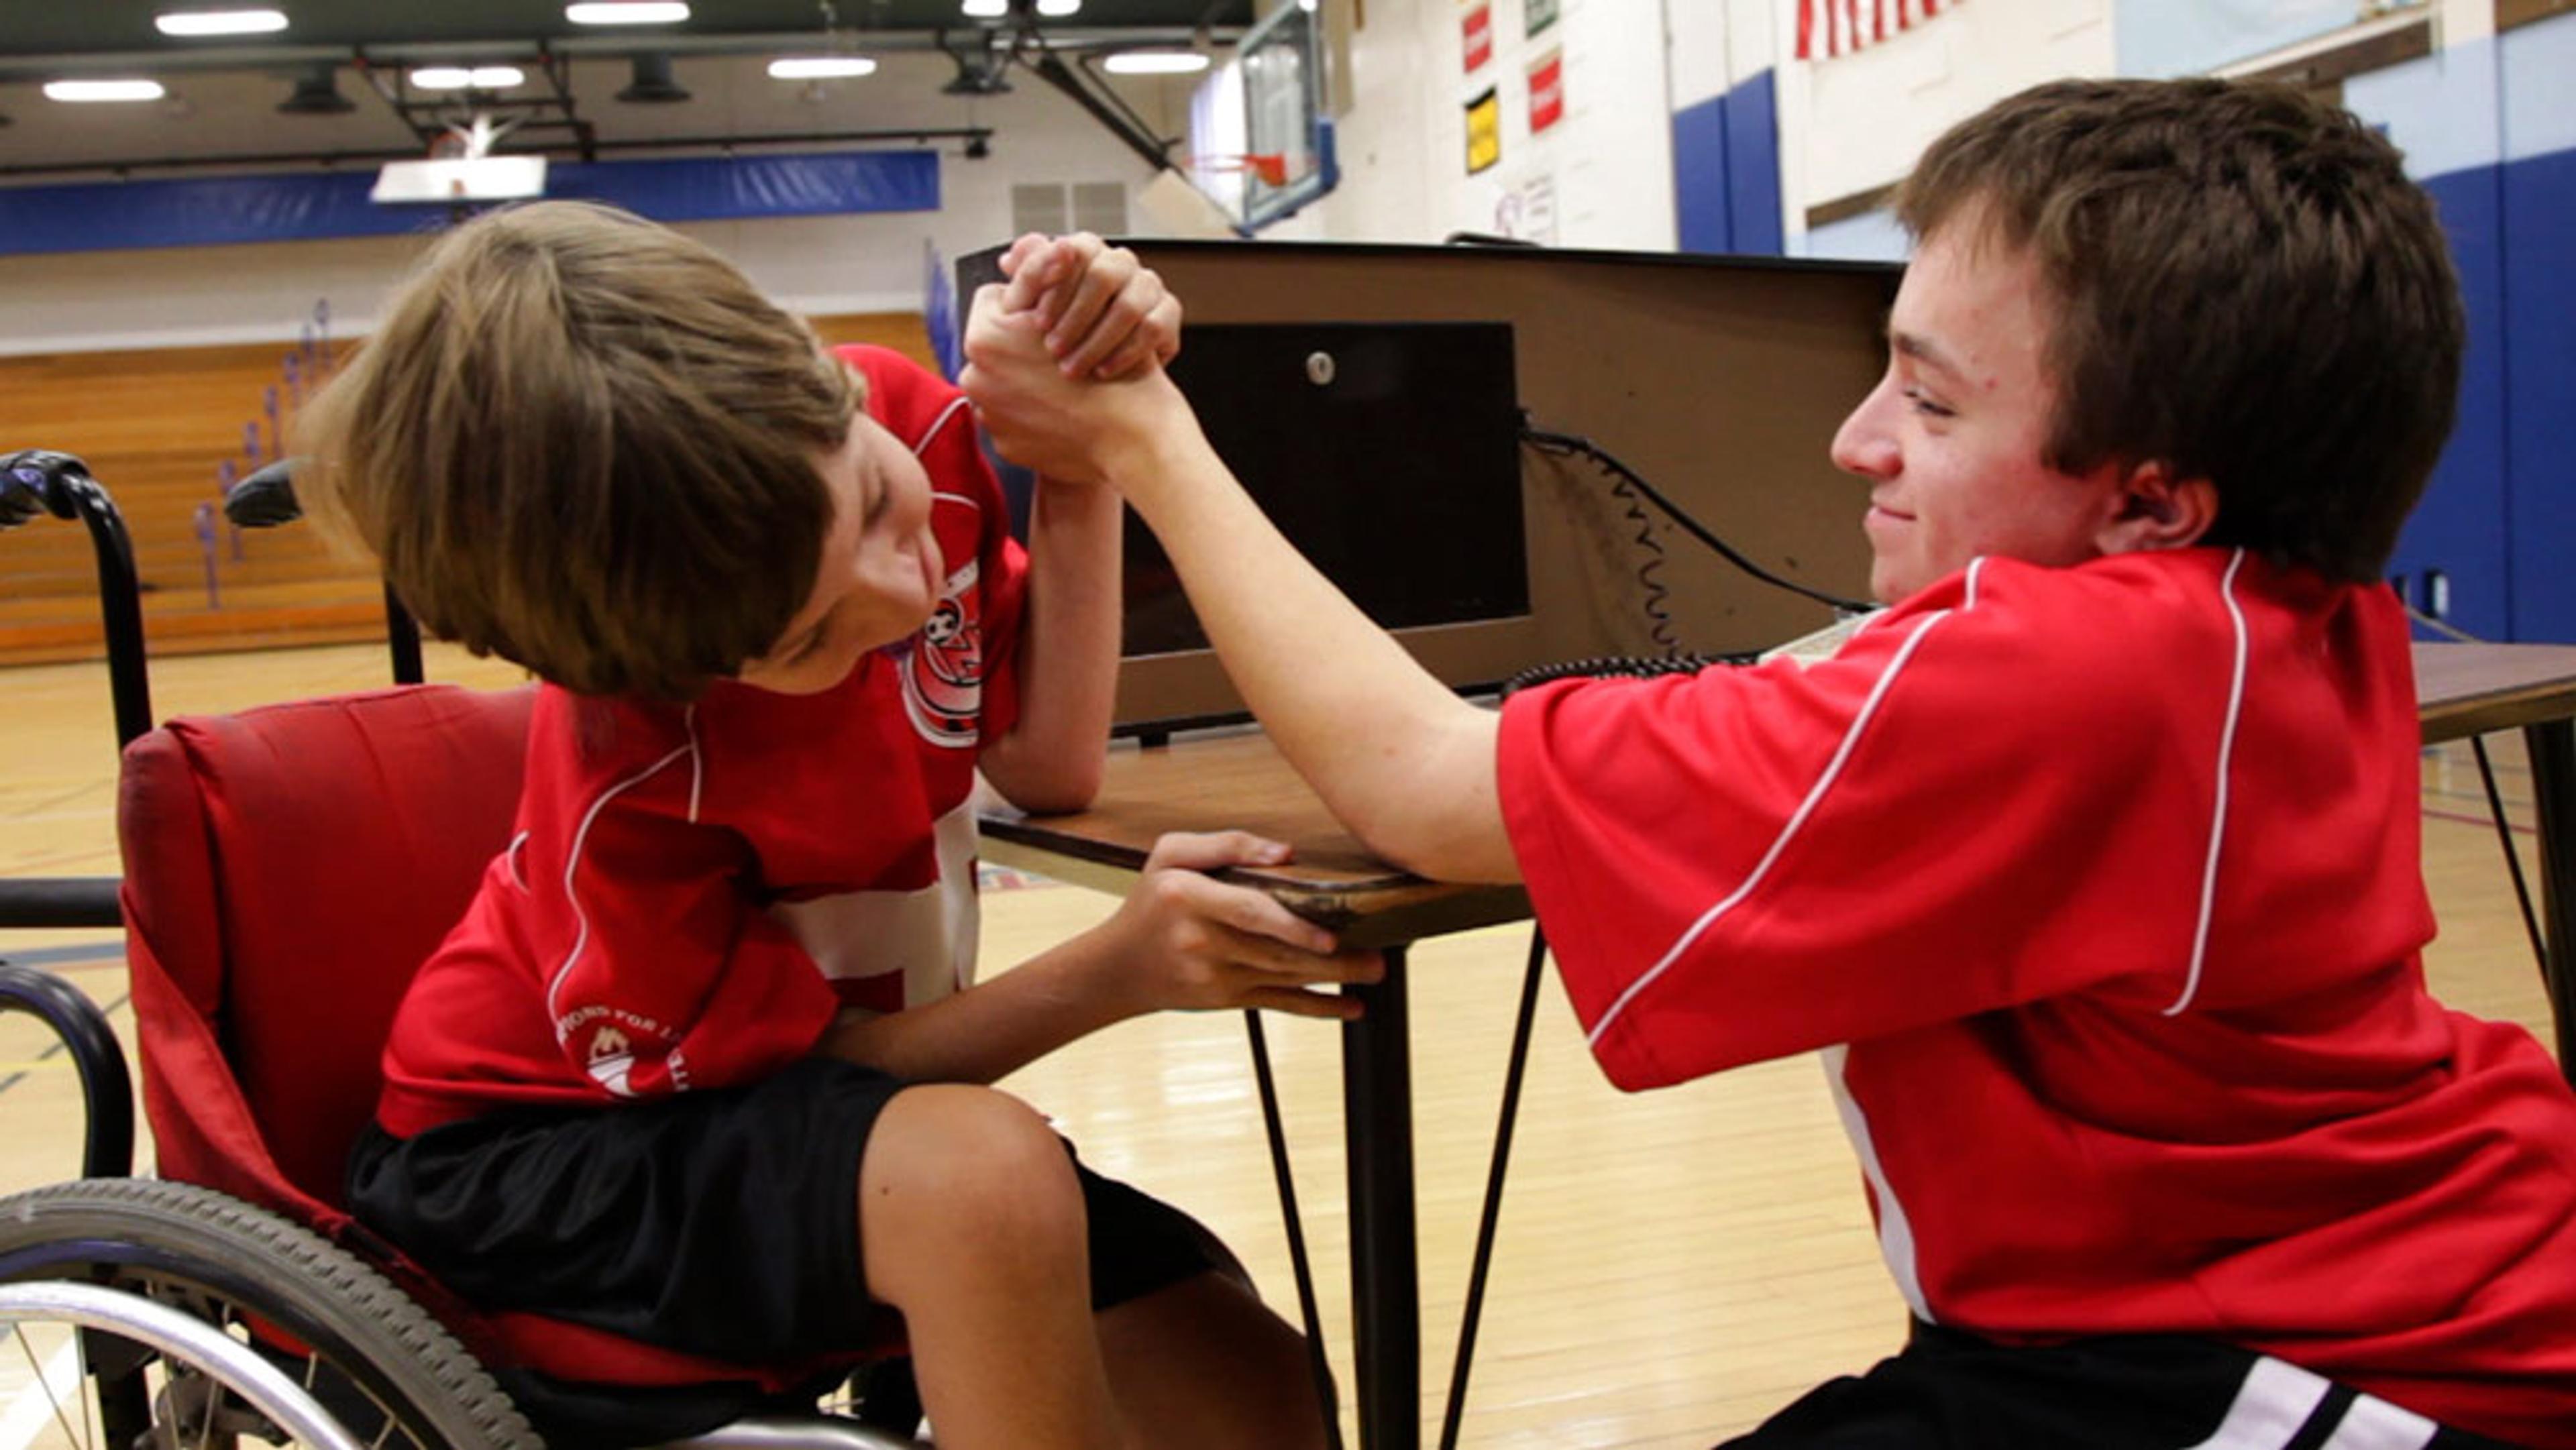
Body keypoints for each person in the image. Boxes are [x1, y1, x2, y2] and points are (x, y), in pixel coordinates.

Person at [959, 77, 2576, 1449]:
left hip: (2298, 1365)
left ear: (2152, 502)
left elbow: (1432, 792)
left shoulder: (2071, 672)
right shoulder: (2271, 607)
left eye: (1931, 402)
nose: (1856, 438)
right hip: (2329, 1289)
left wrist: (1144, 441)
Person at [294, 200, 1369, 1450]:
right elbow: (802, 1084)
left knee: (1250, 1389)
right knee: (980, 1183)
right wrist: (1118, 971)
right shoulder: (632, 779)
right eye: (810, 640)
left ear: (829, 391)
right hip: (545, 1154)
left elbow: (1050, 760)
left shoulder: (913, 420)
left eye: (870, 502)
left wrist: (1083, 450)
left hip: (824, 1109)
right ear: (669, 673)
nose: (903, 589)